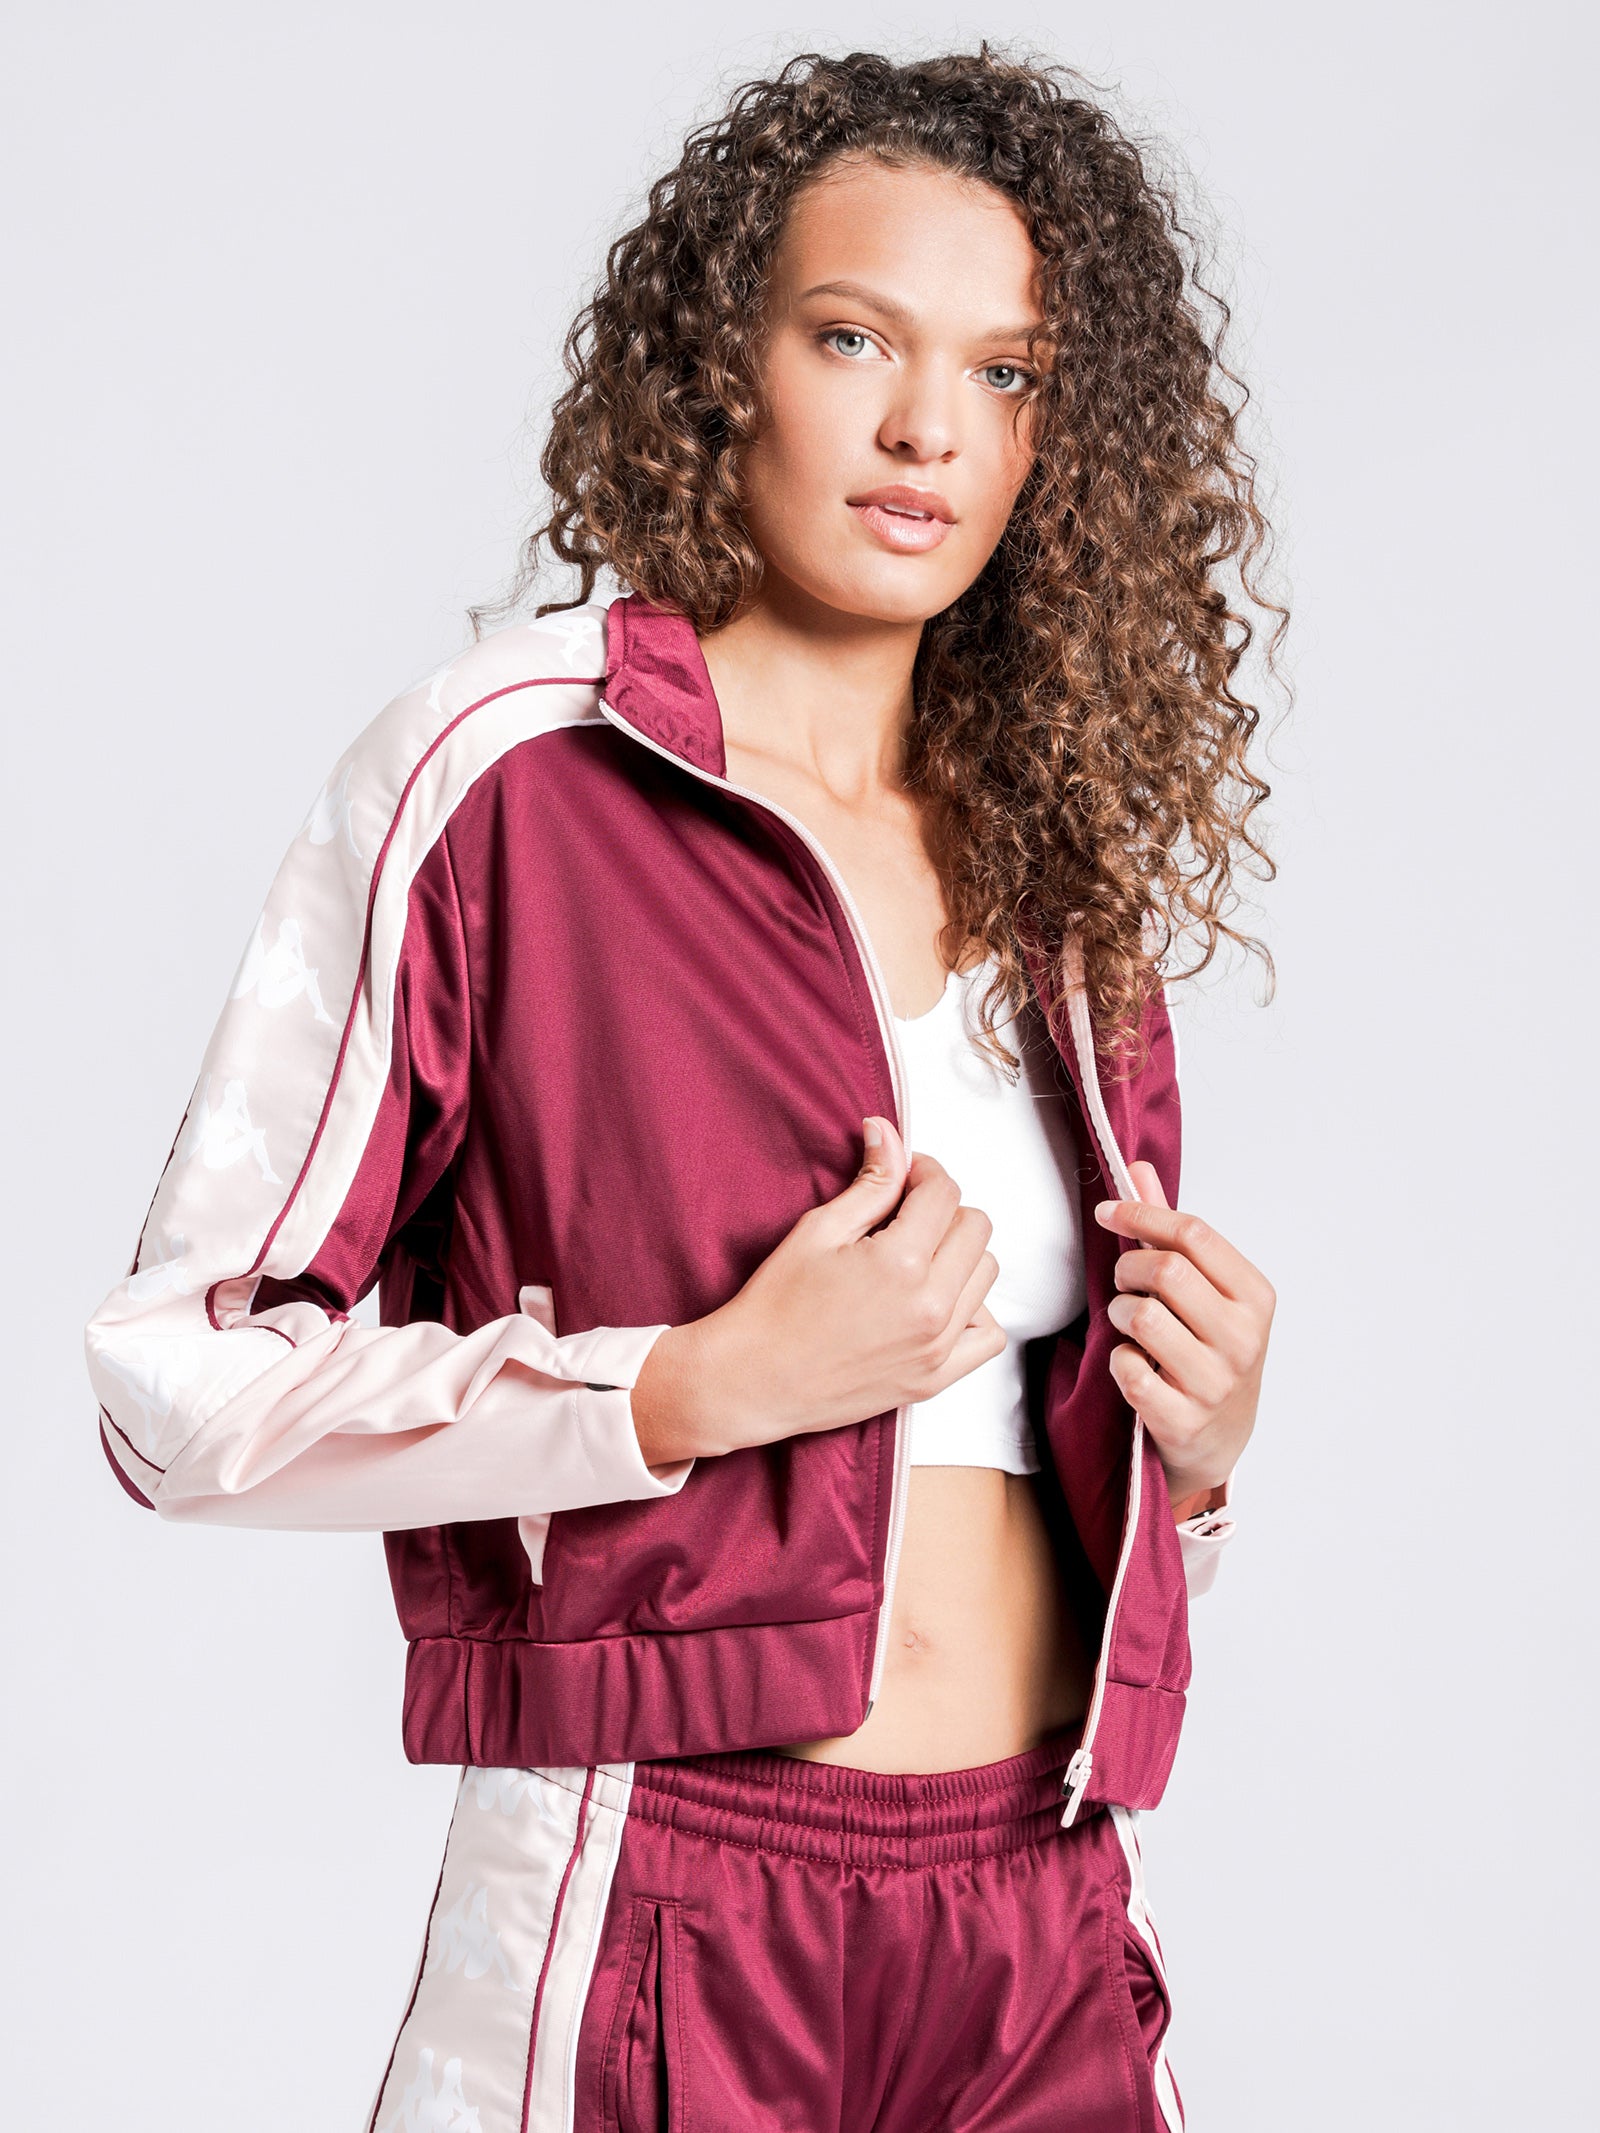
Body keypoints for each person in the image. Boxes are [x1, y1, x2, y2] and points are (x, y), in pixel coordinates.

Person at [85, 43, 1282, 2133]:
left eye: (1004, 372)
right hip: (657, 1890)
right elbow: (171, 1384)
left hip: (1042, 1895)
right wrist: (682, 1388)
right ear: (724, 366)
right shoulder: (506, 779)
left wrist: (1198, 1442)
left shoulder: (1055, 863)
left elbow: (1019, 1444)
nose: (927, 429)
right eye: (854, 338)